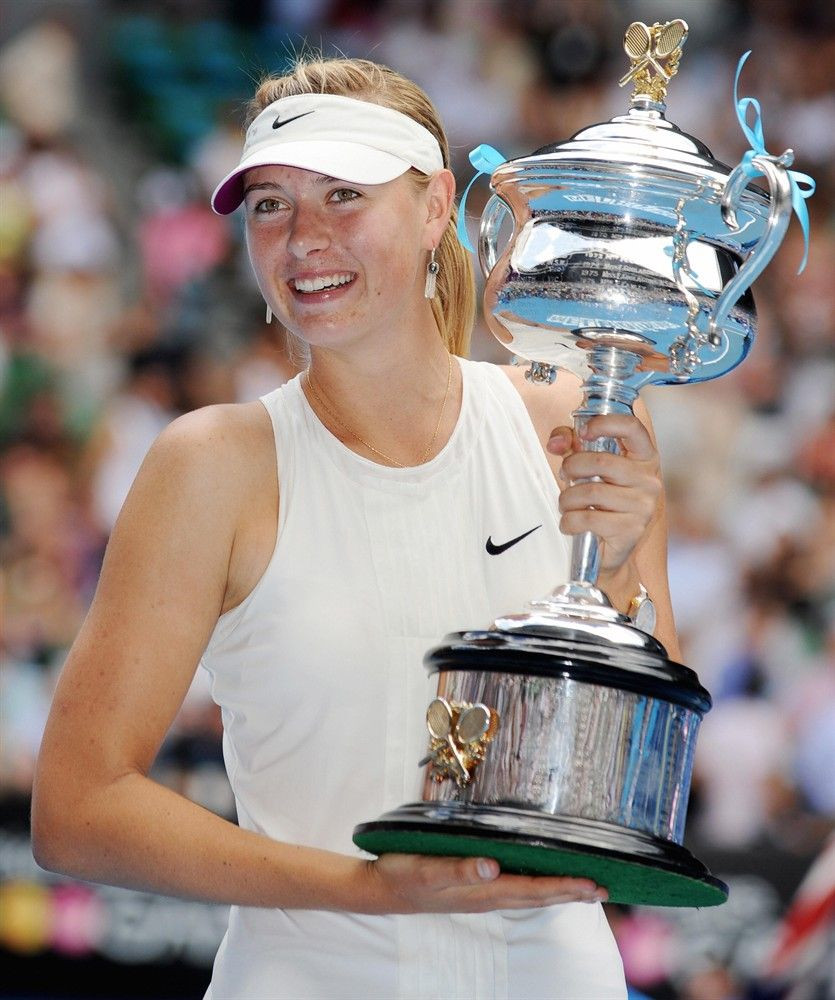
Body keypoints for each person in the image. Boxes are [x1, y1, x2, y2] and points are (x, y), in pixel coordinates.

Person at [32, 56, 680, 999]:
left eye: (343, 194)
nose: (302, 239)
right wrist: (372, 892)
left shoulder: (570, 422)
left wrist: (623, 562)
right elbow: (78, 808)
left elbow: (638, 778)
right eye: (269, 205)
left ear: (433, 211)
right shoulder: (209, 464)